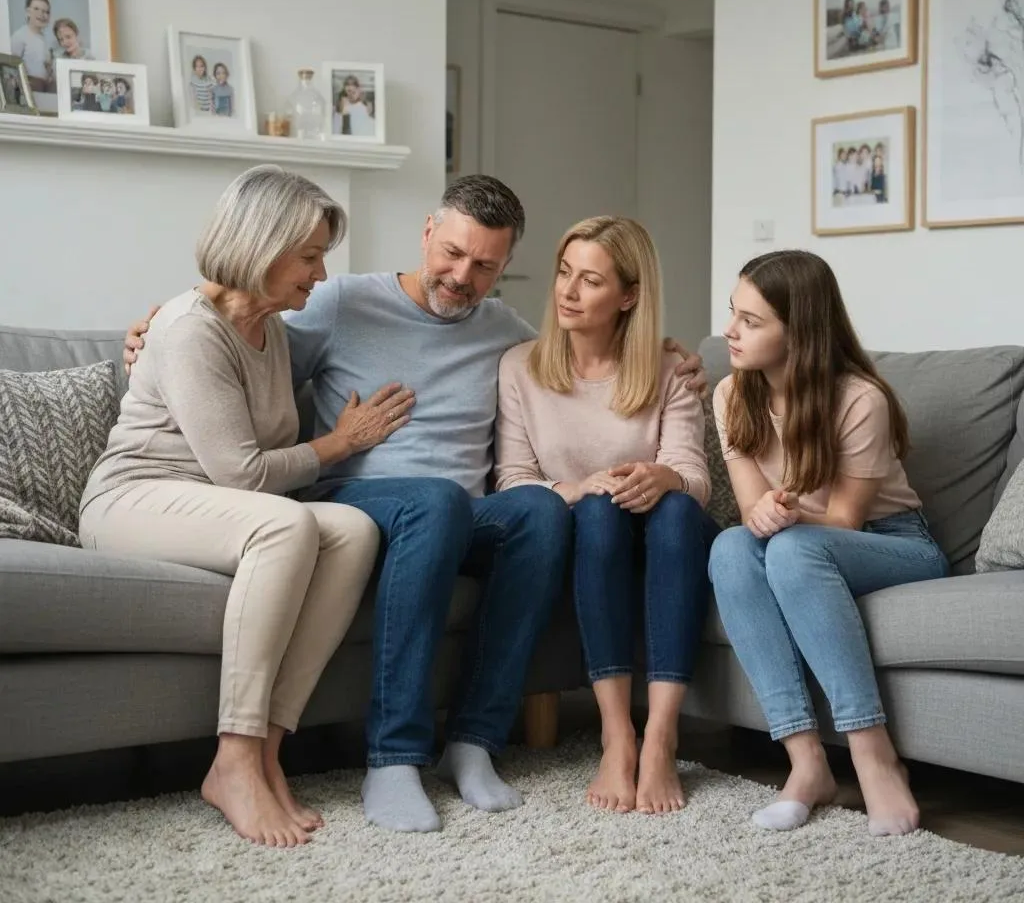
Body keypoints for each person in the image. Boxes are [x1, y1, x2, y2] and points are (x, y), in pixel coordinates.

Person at [123, 174, 708, 835]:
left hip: (459, 515)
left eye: (485, 266)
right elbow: (240, 337)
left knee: (540, 512)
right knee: (435, 501)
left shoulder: (503, 332)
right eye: (452, 253)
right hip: (356, 502)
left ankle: (474, 742)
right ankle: (395, 756)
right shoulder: (339, 303)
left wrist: (671, 354)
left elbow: (580, 354)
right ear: (428, 231)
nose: (462, 277)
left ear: (505, 267)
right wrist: (148, 334)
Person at [85, 165, 411, 847]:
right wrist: (340, 443)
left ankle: (266, 750)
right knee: (286, 525)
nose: (321, 275)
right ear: (263, 247)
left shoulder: (272, 329)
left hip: (214, 506)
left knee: (352, 530)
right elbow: (243, 473)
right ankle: (231, 760)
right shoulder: (189, 329)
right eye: (310, 256)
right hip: (133, 498)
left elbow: (256, 467)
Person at [708, 249, 948, 836]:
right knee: (730, 548)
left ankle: (874, 757)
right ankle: (806, 763)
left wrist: (788, 518)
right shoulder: (731, 395)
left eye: (751, 321)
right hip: (798, 541)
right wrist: (765, 512)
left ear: (800, 333)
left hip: (892, 544)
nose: (730, 331)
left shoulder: (860, 399)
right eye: (733, 312)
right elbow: (750, 511)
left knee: (793, 548)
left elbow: (844, 518)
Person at [494, 216, 719, 816]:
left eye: (590, 280)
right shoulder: (519, 367)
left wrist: (665, 477)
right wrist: (581, 487)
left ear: (629, 296)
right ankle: (617, 736)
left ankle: (662, 737)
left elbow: (695, 478)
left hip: (670, 534)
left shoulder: (671, 370)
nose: (568, 291)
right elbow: (512, 479)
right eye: (564, 273)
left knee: (676, 508)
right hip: (589, 534)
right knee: (597, 510)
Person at [10, 0, 53, 93]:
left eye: (46, 12)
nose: (41, 14)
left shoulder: (44, 39)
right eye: (36, 9)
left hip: (44, 86)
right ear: (28, 11)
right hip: (28, 85)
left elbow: (44, 65)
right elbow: (12, 64)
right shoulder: (20, 35)